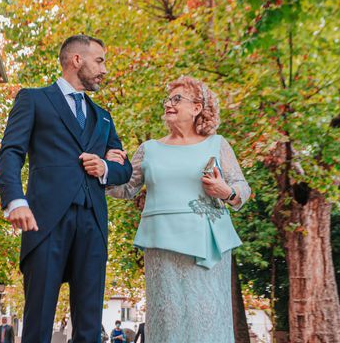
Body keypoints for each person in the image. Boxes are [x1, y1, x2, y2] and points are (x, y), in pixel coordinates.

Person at [0, 35, 133, 343]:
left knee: (89, 326)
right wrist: (15, 200)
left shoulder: (103, 117)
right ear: (76, 60)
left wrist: (106, 167)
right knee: (39, 323)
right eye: (99, 61)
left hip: (93, 223)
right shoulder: (33, 99)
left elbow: (125, 169)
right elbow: (11, 153)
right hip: (45, 220)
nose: (104, 69)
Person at [106, 76, 251, 343]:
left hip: (209, 244)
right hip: (161, 245)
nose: (169, 105)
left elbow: (242, 187)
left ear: (197, 107)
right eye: (167, 100)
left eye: (177, 99)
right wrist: (107, 169)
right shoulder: (148, 149)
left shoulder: (217, 144)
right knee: (168, 317)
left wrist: (225, 191)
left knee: (207, 317)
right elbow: (124, 189)